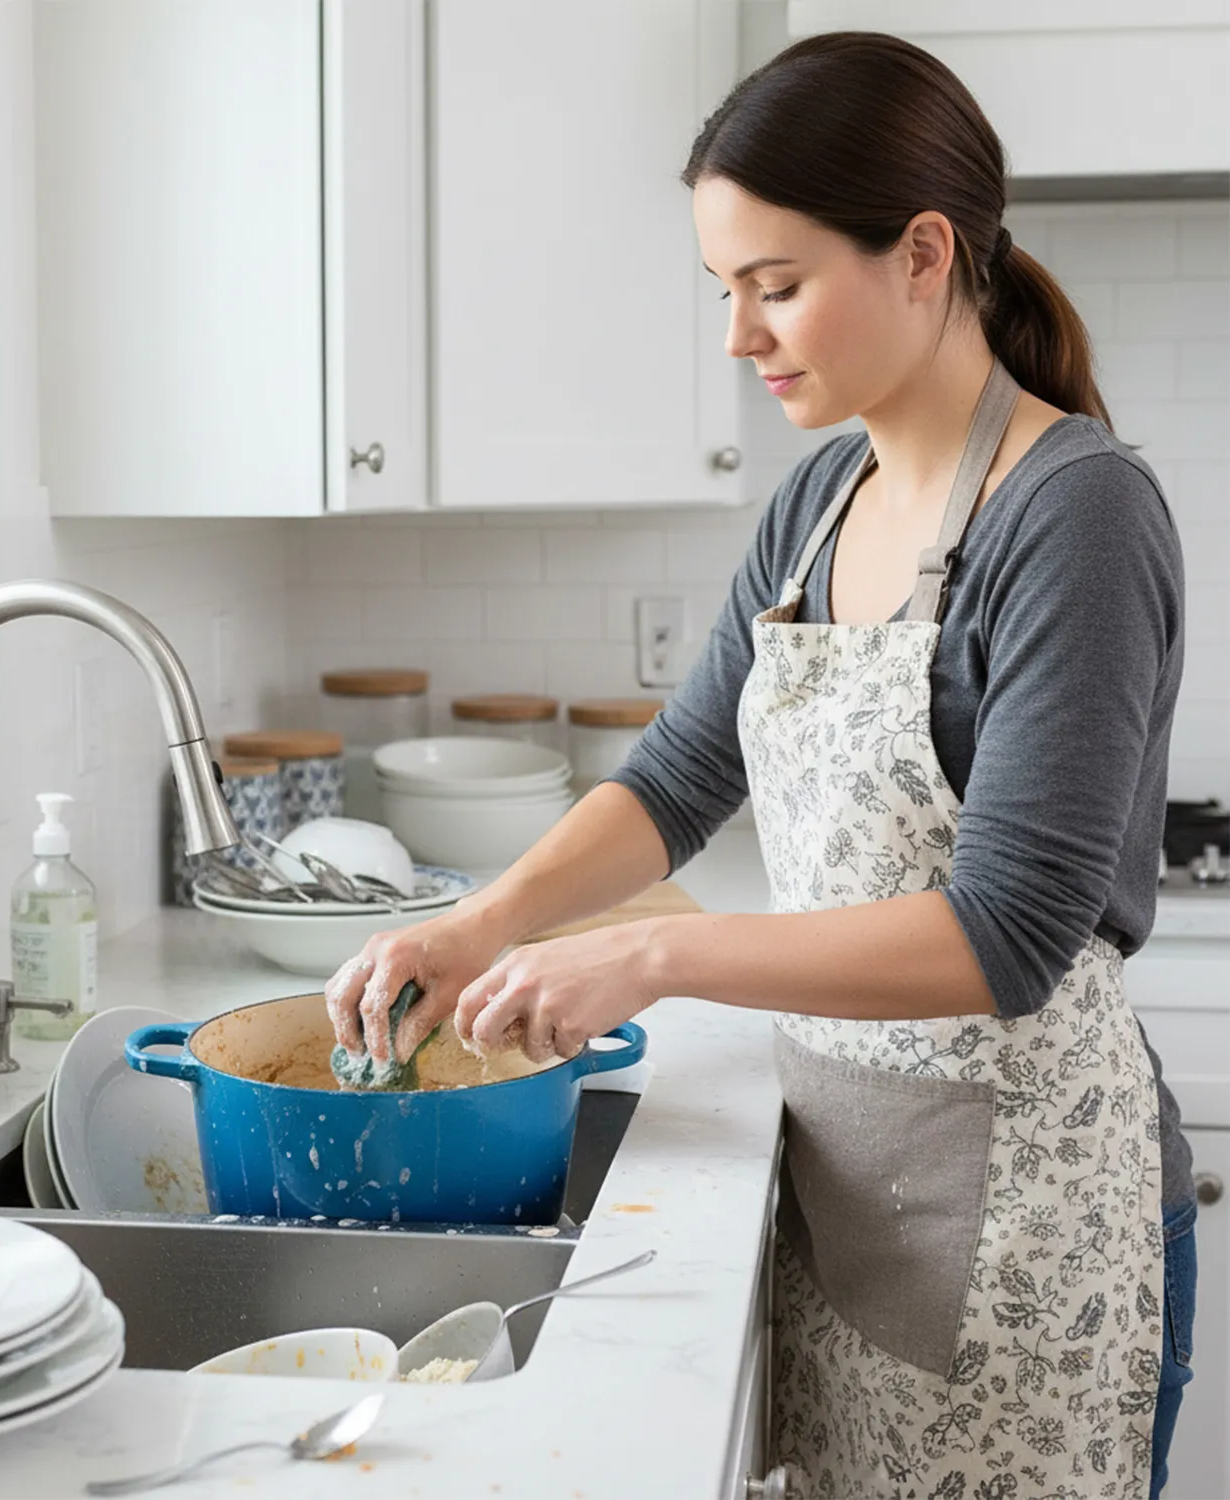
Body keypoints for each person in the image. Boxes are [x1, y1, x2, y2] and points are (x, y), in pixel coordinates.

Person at [326, 31, 1197, 1500]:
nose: (739, 334)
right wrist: (480, 922)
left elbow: (1010, 938)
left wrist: (659, 959)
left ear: (924, 254)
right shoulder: (819, 497)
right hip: (854, 1199)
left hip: (1031, 1247)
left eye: (776, 285)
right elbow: (676, 778)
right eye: (723, 290)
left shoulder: (1075, 515)